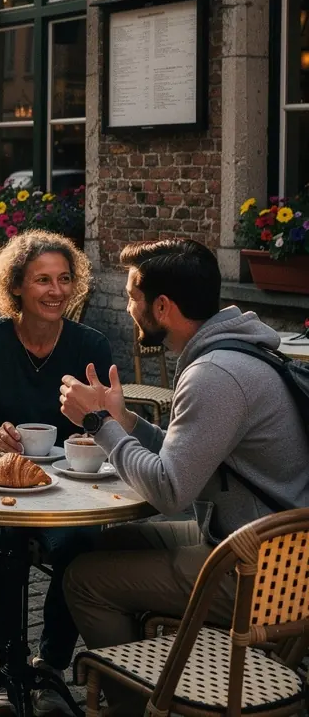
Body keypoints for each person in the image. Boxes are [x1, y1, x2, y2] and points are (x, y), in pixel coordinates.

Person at [59, 238, 309, 713]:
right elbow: (187, 456)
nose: (130, 308)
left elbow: (171, 490)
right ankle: (157, 670)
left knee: (83, 580)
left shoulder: (214, 373)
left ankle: (140, 705)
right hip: (277, 554)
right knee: (103, 545)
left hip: (259, 575)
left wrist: (98, 425)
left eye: (133, 297)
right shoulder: (235, 352)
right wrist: (125, 421)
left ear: (163, 306)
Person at [0, 231, 112, 715]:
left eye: (64, 279)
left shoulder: (91, 344)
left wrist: (94, 430)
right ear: (16, 285)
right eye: (42, 279)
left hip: (66, 487)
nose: (56, 291)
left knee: (81, 546)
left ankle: (51, 666)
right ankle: (6, 666)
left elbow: (105, 420)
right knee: (2, 544)